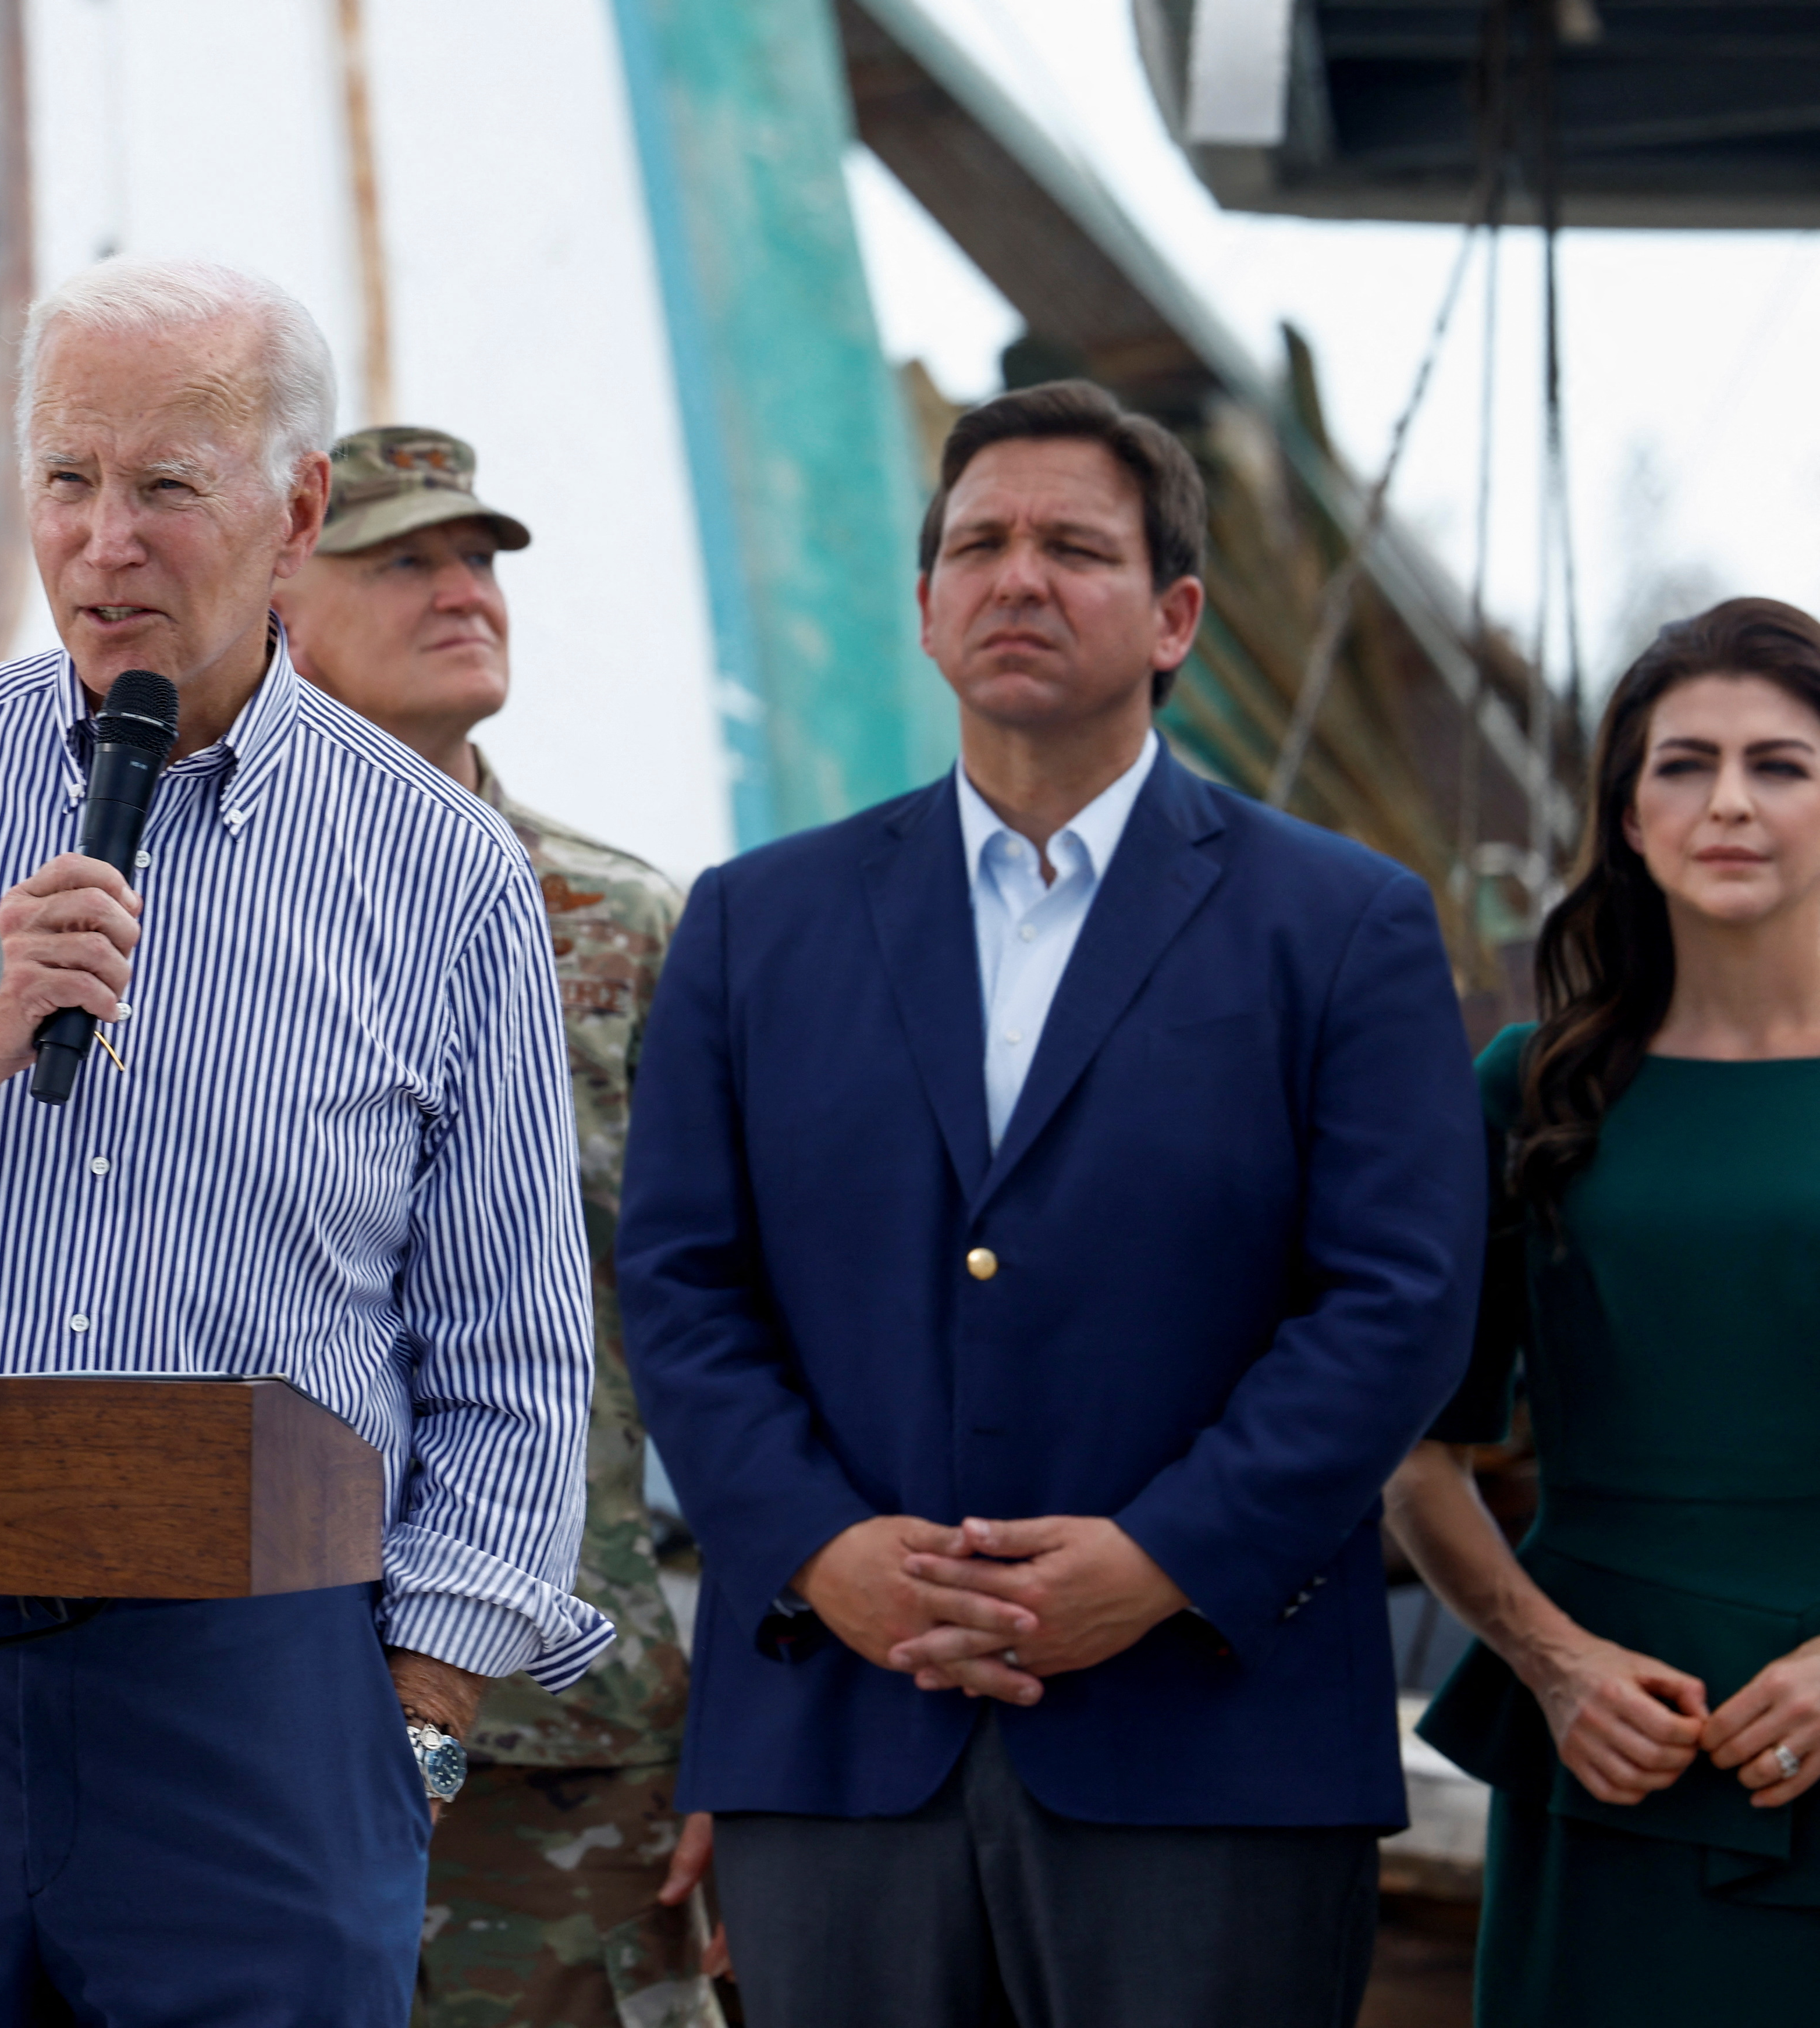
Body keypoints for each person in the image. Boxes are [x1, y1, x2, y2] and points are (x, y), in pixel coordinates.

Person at [0, 256, 607, 2027]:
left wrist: (412, 1724)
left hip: (263, 1684)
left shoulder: (439, 870)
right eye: (68, 482)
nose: (104, 542)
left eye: (166, 485)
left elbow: (510, 1349)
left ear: (294, 510)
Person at [617, 378, 1487, 2027]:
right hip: (839, 1727)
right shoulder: (752, 923)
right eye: (978, 544)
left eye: (1072, 547)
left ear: (1172, 615)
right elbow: (677, 1281)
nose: (1017, 575)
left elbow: (1395, 1300)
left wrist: (1162, 1555)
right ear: (927, 606)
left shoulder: (1340, 923)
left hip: (1206, 1733)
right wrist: (819, 1547)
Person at [278, 424, 719, 2028]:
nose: (462, 589)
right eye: (401, 558)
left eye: (478, 559)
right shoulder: (170, 913)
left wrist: (749, 1713)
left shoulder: (623, 919)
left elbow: (735, 1332)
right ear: (277, 599)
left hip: (561, 1734)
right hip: (237, 1694)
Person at [1386, 599, 1820, 2021]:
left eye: (1781, 765)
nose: (1730, 805)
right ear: (1627, 817)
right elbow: (1413, 1450)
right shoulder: (1529, 1090)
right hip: (1609, 1746)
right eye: (1682, 764)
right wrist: (1550, 1666)